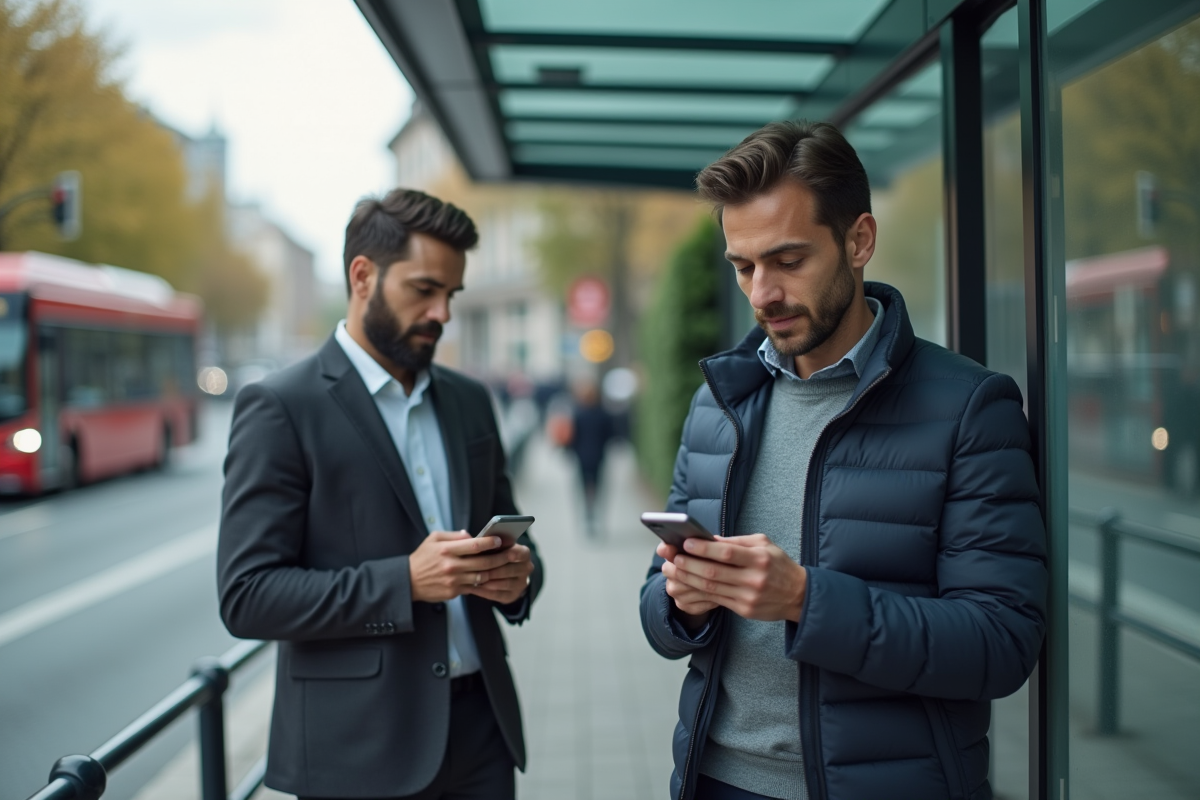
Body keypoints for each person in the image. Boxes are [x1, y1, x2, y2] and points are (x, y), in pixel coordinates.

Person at [639, 121, 1047, 800]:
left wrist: (804, 599)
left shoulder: (972, 407)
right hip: (715, 781)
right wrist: (680, 604)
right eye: (743, 267)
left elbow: (1001, 644)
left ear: (859, 241)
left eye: (788, 260)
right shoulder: (718, 405)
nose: (762, 292)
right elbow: (656, 607)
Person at [218, 189, 543, 800]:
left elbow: (517, 547)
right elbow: (247, 595)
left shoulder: (470, 400)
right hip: (358, 751)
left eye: (451, 294)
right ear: (362, 276)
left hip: (481, 735)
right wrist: (406, 581)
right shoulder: (282, 407)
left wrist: (518, 578)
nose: (443, 313)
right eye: (424, 290)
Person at [568, 378, 616, 536]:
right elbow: (610, 436)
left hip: (582, 458)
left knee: (583, 488)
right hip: (598, 458)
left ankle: (587, 515)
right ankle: (596, 515)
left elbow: (572, 437)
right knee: (598, 488)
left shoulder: (578, 414)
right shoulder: (603, 414)